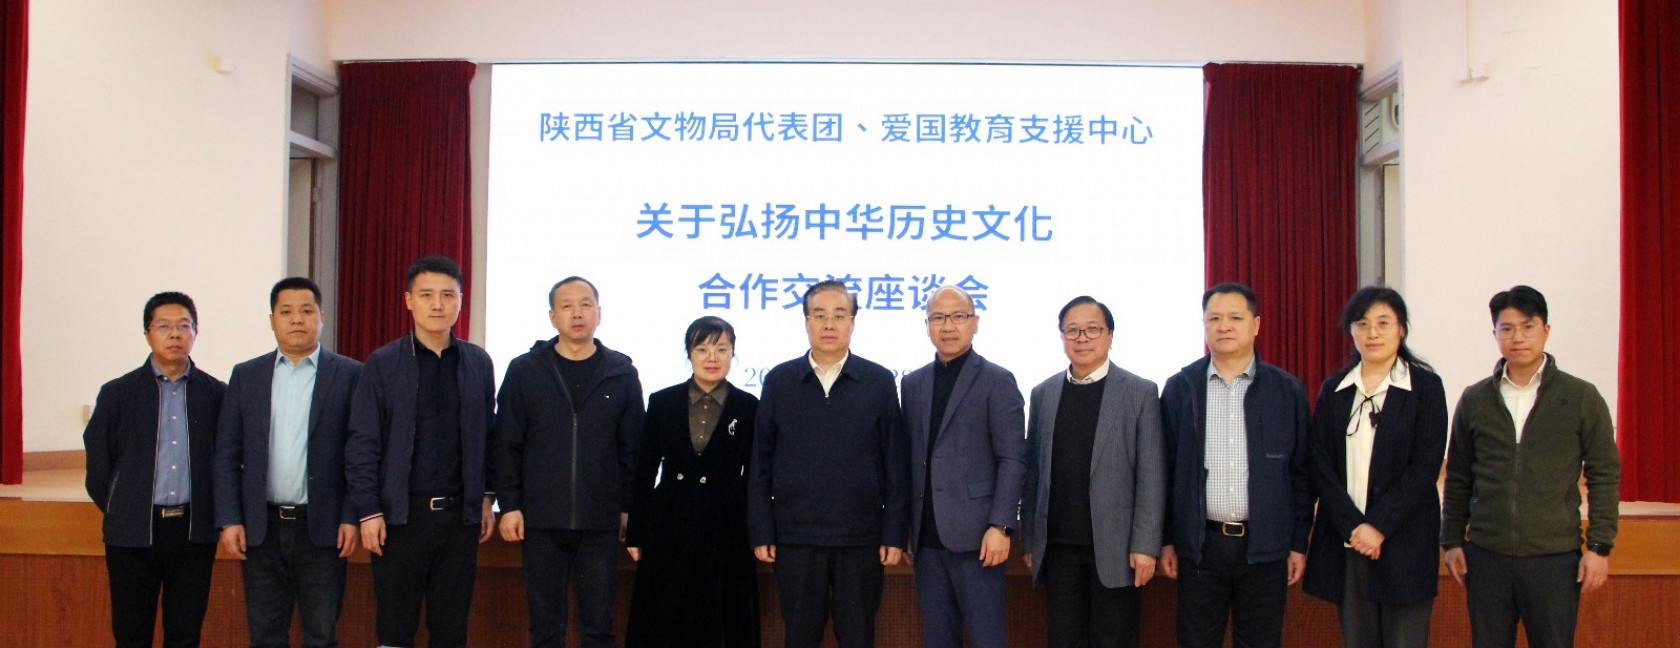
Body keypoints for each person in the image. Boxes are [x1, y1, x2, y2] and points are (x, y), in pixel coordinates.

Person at [1441, 285, 1620, 648]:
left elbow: (1604, 474)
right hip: (1487, 558)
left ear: (1546, 330)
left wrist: (1599, 546)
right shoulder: (1475, 399)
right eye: (1507, 328)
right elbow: (1458, 476)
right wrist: (1452, 540)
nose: (1518, 337)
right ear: (1495, 334)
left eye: (1528, 326)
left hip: (1554, 559)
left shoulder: (1580, 397)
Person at [747, 279, 909, 648]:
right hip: (796, 537)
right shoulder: (780, 380)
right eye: (819, 315)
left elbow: (895, 463)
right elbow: (760, 462)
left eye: (839, 315)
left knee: (858, 635)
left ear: (853, 321)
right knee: (800, 636)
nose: (829, 324)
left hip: (861, 538)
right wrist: (762, 530)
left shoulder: (879, 381)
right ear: (806, 322)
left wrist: (894, 533)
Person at [344, 256, 496, 648]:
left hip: (459, 522)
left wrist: (485, 496)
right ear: (409, 301)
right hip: (399, 520)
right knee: (395, 629)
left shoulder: (478, 363)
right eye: (426, 295)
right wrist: (369, 510)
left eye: (448, 295)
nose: (437, 304)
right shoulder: (382, 363)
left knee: (451, 631)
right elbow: (363, 443)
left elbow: (488, 437)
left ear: (460, 301)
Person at [1159, 282, 1312, 648]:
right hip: (1200, 547)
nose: (1223, 326)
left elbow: (1302, 475)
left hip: (1264, 547)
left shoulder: (1286, 391)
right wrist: (1166, 540)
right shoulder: (1181, 388)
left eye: (1235, 318)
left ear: (1256, 325)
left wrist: (1297, 543)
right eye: (1214, 318)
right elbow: (1166, 471)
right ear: (1204, 325)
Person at [214, 277, 364, 648]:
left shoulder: (350, 375)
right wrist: (230, 518)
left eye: (306, 310)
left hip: (323, 528)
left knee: (321, 636)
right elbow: (227, 454)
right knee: (265, 636)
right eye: (286, 311)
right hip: (260, 527)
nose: (297, 319)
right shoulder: (246, 376)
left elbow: (358, 455)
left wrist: (350, 516)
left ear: (321, 317)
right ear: (272, 320)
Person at [494, 276, 643, 648]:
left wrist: (630, 507)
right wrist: (509, 504)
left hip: (600, 522)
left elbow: (633, 449)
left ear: (599, 313)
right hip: (541, 520)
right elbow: (507, 442)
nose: (577, 313)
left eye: (585, 304)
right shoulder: (525, 370)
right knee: (546, 628)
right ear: (552, 316)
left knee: (598, 626)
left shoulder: (621, 372)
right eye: (566, 306)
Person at [1302, 286, 1447, 648]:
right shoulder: (1335, 390)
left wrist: (1378, 526)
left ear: (1402, 329)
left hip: (1405, 541)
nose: (1373, 333)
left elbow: (1425, 466)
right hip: (1349, 542)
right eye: (1362, 324)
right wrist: (1355, 528)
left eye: (1384, 323)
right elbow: (1321, 466)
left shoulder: (1425, 388)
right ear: (1351, 331)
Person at [1020, 295, 1165, 648]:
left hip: (1118, 549)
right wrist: (1031, 540)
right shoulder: (1043, 394)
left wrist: (1145, 546)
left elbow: (1151, 475)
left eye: (1093, 329)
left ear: (1110, 335)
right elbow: (1034, 473)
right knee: (1063, 639)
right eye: (1072, 330)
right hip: (1059, 549)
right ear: (1062, 337)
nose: (1082, 338)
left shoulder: (1140, 392)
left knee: (1113, 639)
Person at [84, 291, 226, 648]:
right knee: (132, 634)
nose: (174, 334)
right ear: (147, 334)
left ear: (196, 332)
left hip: (193, 532)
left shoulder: (217, 394)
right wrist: (122, 507)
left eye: (184, 326)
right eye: (163, 326)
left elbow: (227, 461)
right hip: (133, 532)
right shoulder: (117, 394)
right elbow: (98, 467)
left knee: (185, 634)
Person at [901, 286, 1026, 648]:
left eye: (958, 316)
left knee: (988, 639)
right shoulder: (913, 383)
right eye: (938, 317)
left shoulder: (997, 381)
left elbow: (1013, 458)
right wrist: (905, 527)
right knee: (938, 639)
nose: (948, 326)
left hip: (979, 540)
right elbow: (910, 458)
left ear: (975, 322)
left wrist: (1001, 525)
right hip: (926, 541)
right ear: (927, 325)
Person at [624, 316, 759, 648]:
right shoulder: (663, 402)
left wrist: (754, 531)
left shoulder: (749, 406)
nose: (712, 358)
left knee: (722, 619)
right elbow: (645, 470)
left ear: (733, 353)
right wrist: (637, 532)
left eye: (721, 349)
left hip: (727, 524)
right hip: (670, 521)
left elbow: (755, 476)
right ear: (689, 353)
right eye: (702, 349)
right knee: (664, 617)